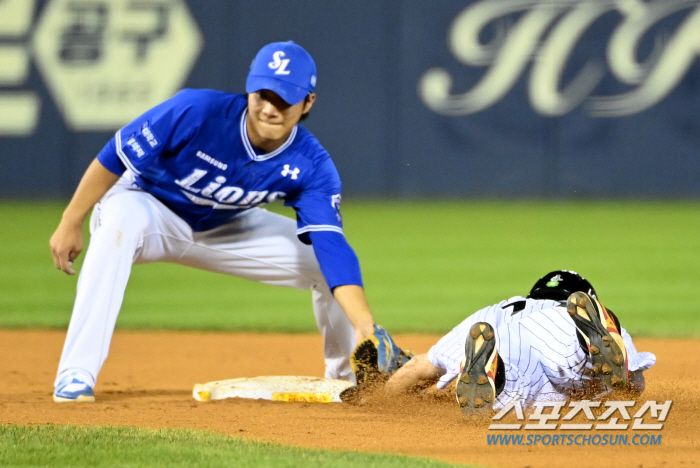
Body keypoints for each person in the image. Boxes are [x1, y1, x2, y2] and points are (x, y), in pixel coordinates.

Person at [49, 41, 409, 403]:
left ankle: (346, 382)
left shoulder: (311, 164)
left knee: (321, 265)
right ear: (249, 89)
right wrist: (71, 219)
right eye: (262, 95)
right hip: (148, 207)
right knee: (117, 228)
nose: (269, 108)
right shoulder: (197, 109)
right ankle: (76, 373)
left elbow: (331, 245)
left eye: (283, 99)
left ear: (308, 103)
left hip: (226, 225)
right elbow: (116, 154)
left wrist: (366, 327)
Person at [380, 270, 656, 413]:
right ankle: (586, 348)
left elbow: (419, 368)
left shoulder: (498, 310)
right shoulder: (570, 310)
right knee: (617, 377)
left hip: (508, 343)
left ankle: (495, 375)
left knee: (511, 390)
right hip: (564, 333)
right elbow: (632, 386)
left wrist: (380, 399)